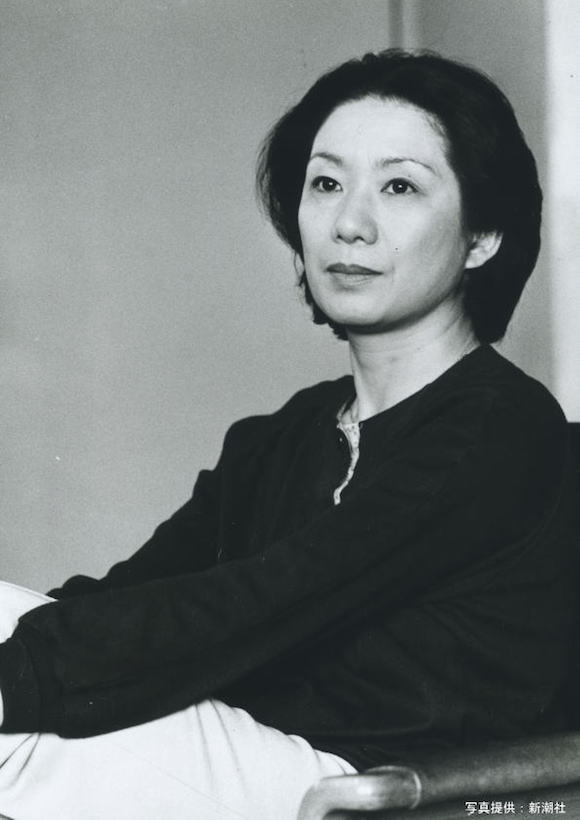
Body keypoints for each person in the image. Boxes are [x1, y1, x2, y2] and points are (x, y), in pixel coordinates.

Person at [0, 49, 577, 820]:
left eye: (399, 186)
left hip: (370, 785)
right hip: (252, 746)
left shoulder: (498, 427)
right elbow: (135, 593)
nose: (349, 224)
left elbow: (263, 604)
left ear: (482, 236)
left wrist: (19, 674)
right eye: (327, 183)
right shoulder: (287, 433)